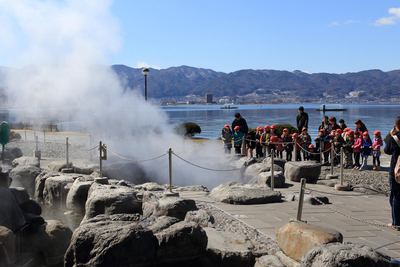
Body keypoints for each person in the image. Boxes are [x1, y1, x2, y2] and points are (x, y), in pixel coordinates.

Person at [384, 116, 400, 230]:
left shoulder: (395, 138)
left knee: (395, 195)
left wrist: (390, 134)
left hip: (396, 169)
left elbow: (387, 150)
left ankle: (396, 222)